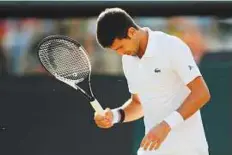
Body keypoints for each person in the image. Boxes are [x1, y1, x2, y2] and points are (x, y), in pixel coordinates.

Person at [94, 8, 211, 155]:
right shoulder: (128, 60)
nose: (120, 53)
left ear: (131, 32)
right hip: (152, 150)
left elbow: (201, 93)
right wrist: (114, 116)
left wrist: (166, 125)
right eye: (115, 50)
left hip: (189, 150)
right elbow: (138, 104)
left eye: (121, 47)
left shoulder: (171, 45)